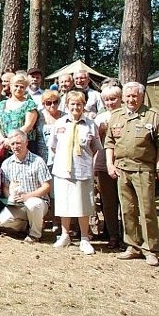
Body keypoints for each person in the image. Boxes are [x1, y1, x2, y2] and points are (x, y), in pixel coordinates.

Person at [105, 82, 159, 267]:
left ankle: (151, 249)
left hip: (144, 171)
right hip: (121, 170)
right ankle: (132, 246)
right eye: (128, 96)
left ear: (141, 97)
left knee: (147, 210)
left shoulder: (153, 116)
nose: (131, 99)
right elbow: (109, 143)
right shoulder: (117, 116)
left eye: (135, 96)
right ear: (123, 98)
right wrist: (110, 164)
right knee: (128, 210)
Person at [48, 91, 103, 255]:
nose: (75, 107)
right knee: (64, 203)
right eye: (72, 104)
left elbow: (96, 148)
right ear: (67, 105)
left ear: (83, 106)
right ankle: (65, 235)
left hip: (82, 170)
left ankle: (85, 238)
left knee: (83, 204)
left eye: (79, 104)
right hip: (63, 169)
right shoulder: (59, 124)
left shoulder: (90, 125)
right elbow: (53, 146)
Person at [0, 130, 52, 243]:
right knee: (3, 221)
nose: (15, 147)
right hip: (18, 204)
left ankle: (35, 235)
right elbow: (5, 186)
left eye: (18, 143)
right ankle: (26, 226)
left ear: (26, 143)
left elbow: (47, 186)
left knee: (33, 204)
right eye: (12, 144)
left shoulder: (38, 161)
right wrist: (10, 198)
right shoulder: (6, 164)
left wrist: (28, 196)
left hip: (38, 202)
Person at [93, 84, 123, 249]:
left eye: (113, 99)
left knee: (126, 202)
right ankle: (113, 235)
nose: (110, 102)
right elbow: (94, 143)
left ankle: (128, 235)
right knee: (108, 202)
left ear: (121, 98)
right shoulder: (100, 117)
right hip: (104, 161)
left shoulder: (127, 115)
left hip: (124, 161)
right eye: (107, 100)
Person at [0, 73, 38, 155]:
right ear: (11, 86)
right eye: (16, 86)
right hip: (5, 146)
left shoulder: (29, 104)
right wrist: (3, 140)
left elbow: (28, 126)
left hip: (24, 146)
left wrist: (12, 140)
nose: (18, 89)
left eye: (22, 87)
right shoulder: (2, 104)